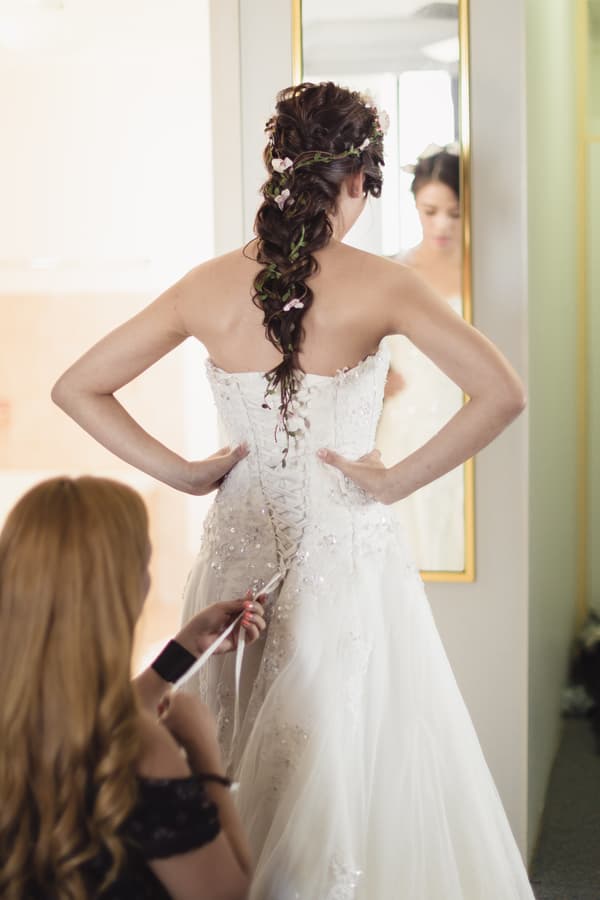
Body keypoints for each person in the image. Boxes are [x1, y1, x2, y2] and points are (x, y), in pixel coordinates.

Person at [51, 82, 534, 899]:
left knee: (223, 747)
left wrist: (184, 471)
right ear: (355, 181)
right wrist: (388, 483)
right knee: (342, 768)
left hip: (233, 559)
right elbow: (504, 392)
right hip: (345, 563)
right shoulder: (385, 284)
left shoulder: (204, 285)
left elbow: (77, 386)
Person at [0, 475, 264, 900]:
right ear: (117, 593)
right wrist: (204, 755)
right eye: (144, 564)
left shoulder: (17, 710)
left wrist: (176, 657)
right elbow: (228, 893)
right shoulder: (141, 747)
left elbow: (86, 718)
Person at [377, 144, 465, 570]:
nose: (442, 224)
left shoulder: (483, 271)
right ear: (415, 205)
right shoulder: (394, 272)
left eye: (454, 212)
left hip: (461, 413)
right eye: (431, 211)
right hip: (403, 422)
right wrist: (377, 372)